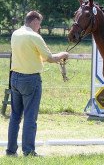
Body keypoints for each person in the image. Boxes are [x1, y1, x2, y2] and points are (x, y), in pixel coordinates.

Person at [6, 11, 69, 157]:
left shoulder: (15, 34)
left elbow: (28, 55)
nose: (40, 26)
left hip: (14, 77)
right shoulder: (34, 36)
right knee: (30, 116)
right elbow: (50, 58)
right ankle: (28, 151)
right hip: (30, 79)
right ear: (34, 21)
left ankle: (10, 151)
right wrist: (63, 55)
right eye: (39, 23)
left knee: (15, 116)